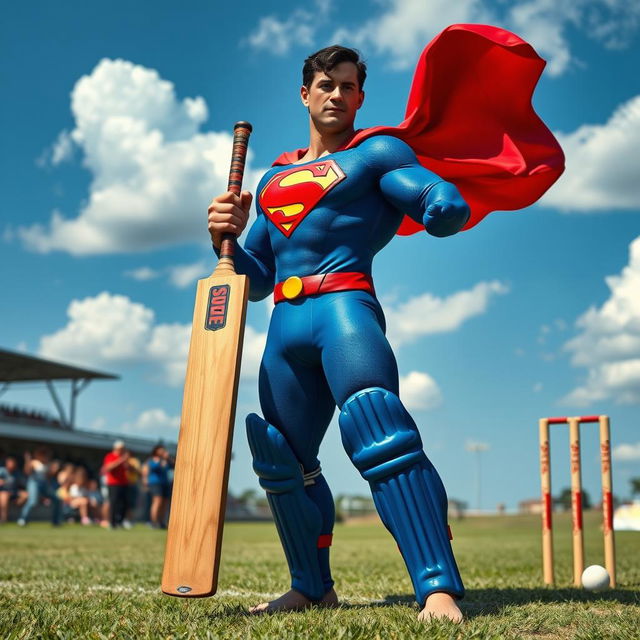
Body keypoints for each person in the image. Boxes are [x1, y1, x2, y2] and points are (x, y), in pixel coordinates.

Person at [208, 28, 562, 623]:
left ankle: (437, 588)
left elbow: (424, 193)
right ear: (304, 94)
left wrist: (438, 202)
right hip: (284, 325)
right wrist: (224, 237)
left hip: (344, 310)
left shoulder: (374, 155)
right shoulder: (271, 180)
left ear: (360, 98)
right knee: (282, 459)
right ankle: (311, 585)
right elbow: (258, 278)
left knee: (382, 433)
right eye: (327, 85)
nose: (337, 95)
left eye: (349, 87)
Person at [18, 447, 61, 526]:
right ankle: (23, 519)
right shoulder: (34, 462)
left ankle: (56, 521)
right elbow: (27, 472)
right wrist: (27, 460)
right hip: (34, 483)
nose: (46, 457)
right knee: (33, 501)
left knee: (57, 499)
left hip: (44, 484)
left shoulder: (48, 464)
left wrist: (54, 470)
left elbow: (48, 476)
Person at [101, 440, 130, 529]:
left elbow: (129, 469)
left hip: (124, 483)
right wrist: (120, 460)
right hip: (113, 483)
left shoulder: (124, 458)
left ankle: (120, 522)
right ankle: (112, 523)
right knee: (113, 503)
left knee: (124, 503)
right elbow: (108, 468)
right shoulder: (110, 456)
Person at [142, 445, 172, 529]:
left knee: (164, 503)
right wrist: (159, 462)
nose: (162, 452)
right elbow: (152, 468)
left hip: (165, 483)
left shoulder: (166, 461)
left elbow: (172, 465)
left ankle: (161, 522)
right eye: (161, 451)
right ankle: (154, 522)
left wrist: (167, 459)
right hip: (155, 483)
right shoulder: (151, 460)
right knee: (157, 502)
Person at [0, 456, 27, 523]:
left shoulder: (17, 472)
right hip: (4, 492)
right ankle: (4, 519)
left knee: (25, 495)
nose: (11, 465)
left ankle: (21, 516)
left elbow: (22, 483)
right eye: (10, 463)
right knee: (4, 496)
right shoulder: (2, 471)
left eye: (13, 463)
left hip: (14, 492)